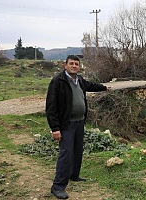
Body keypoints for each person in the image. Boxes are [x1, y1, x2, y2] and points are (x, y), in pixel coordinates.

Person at [46, 55, 109, 199]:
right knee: (66, 154)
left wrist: (104, 87)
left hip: (80, 122)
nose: (74, 66)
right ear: (65, 65)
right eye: (71, 64)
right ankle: (58, 186)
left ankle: (74, 175)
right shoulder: (58, 81)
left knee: (77, 150)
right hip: (66, 124)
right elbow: (51, 107)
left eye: (76, 64)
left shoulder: (79, 80)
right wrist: (55, 128)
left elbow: (91, 85)